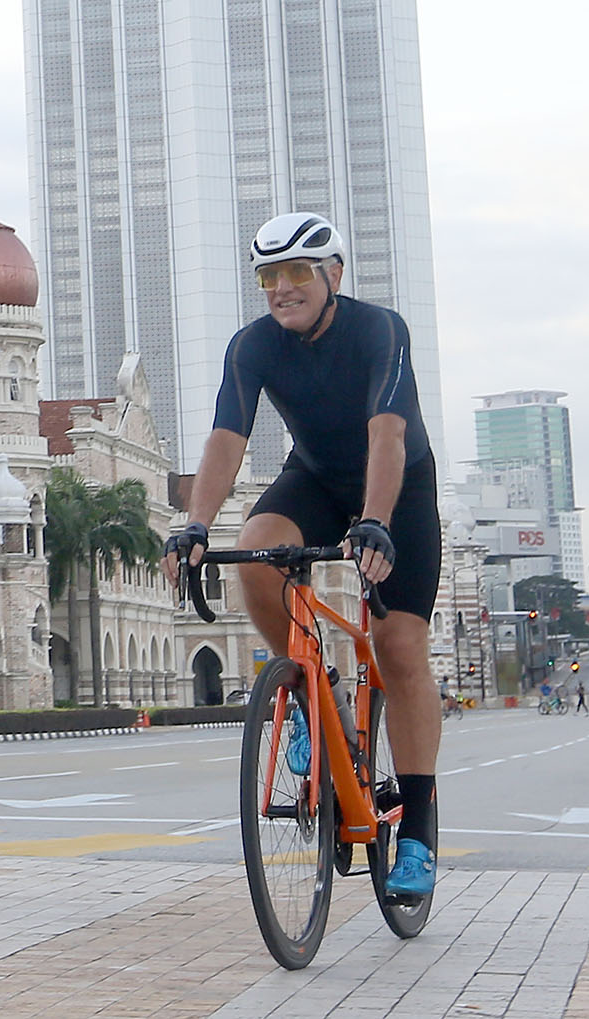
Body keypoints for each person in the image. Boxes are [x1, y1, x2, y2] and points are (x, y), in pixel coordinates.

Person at [163, 213, 443, 900]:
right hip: (315, 477)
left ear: (334, 275)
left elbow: (388, 428)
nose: (281, 288)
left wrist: (375, 520)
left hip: (396, 482)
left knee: (398, 644)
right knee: (255, 552)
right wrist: (195, 521)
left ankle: (416, 832)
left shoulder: (380, 329)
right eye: (268, 277)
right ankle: (308, 696)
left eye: (296, 273)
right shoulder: (251, 346)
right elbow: (228, 437)